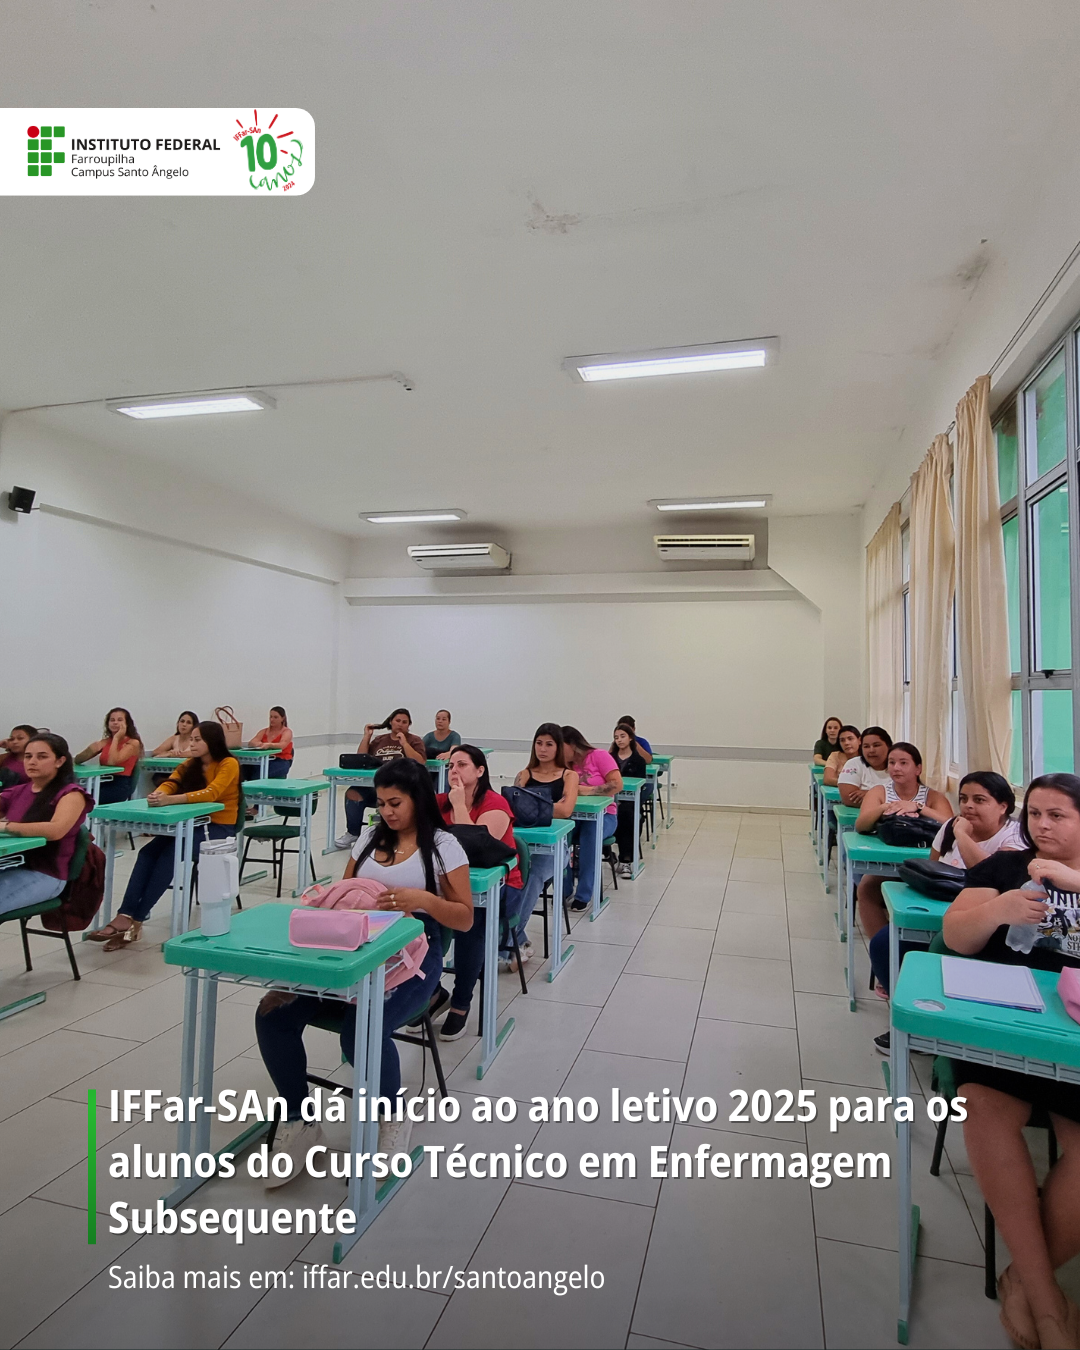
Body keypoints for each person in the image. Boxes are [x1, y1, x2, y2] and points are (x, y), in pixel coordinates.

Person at [255, 758, 472, 1178]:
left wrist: (425, 900)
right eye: (382, 803)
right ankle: (299, 1119)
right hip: (352, 942)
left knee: (362, 1031)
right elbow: (342, 893)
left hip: (413, 950)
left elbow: (464, 918)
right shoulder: (371, 837)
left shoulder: (443, 845)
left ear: (418, 799)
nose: (386, 811)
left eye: (396, 803)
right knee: (272, 1014)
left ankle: (392, 1114)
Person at [942, 774, 1080, 1350]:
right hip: (1002, 1030)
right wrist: (999, 908)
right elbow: (955, 936)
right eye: (1035, 814)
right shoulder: (1004, 867)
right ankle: (1047, 1302)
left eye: (1058, 816)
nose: (1042, 826)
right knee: (980, 1105)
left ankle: (1023, 1278)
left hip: (1073, 1038)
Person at [869, 771, 1022, 1052]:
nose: (968, 806)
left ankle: (933, 1027)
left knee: (939, 956)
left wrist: (963, 836)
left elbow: (992, 875)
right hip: (938, 906)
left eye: (979, 800)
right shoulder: (951, 825)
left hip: (982, 922)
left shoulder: (1014, 836)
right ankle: (911, 1018)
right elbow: (932, 867)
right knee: (883, 944)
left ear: (1003, 806)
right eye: (963, 799)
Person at [88, 721, 240, 951]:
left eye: (198, 740)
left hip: (217, 828)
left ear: (213, 742)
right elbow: (172, 782)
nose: (192, 744)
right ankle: (125, 914)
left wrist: (171, 800)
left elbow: (212, 793)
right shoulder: (190, 763)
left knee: (170, 855)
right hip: (191, 823)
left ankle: (136, 920)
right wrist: (158, 794)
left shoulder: (228, 763)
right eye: (191, 740)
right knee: (147, 852)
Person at [435, 745, 524, 1038]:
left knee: (470, 924)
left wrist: (459, 805)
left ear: (480, 770)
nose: (454, 771)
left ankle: (460, 1003)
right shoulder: (443, 801)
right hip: (452, 885)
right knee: (418, 918)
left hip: (501, 888)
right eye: (451, 766)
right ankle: (433, 993)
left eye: (462, 765)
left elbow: (471, 848)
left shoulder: (496, 804)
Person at [854, 741, 952, 949]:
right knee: (866, 888)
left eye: (903, 763)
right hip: (888, 864)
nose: (896, 768)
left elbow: (950, 826)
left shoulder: (932, 796)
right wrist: (885, 807)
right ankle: (884, 949)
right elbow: (861, 825)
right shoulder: (880, 791)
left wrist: (918, 807)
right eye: (891, 763)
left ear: (918, 769)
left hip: (925, 865)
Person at [0, 734, 92, 917]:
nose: (32, 762)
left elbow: (55, 830)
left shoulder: (72, 794)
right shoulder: (18, 791)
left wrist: (5, 827)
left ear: (60, 761)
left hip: (46, 875)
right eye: (28, 756)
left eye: (42, 757)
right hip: (11, 866)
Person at [511, 724, 580, 940]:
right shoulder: (524, 774)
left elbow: (566, 810)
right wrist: (550, 806)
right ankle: (516, 941)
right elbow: (513, 808)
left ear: (558, 747)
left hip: (554, 847)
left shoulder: (569, 776)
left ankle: (510, 941)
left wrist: (531, 807)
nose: (543, 749)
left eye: (549, 744)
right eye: (539, 743)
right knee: (504, 875)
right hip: (523, 844)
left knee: (532, 874)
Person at [335, 709, 428, 850]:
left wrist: (405, 744)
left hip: (401, 789)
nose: (400, 724)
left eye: (404, 722)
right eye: (397, 721)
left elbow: (420, 762)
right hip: (375, 786)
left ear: (409, 725)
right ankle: (353, 833)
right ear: (391, 722)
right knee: (352, 793)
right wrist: (367, 737)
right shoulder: (380, 740)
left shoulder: (414, 740)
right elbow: (361, 758)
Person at [561, 726, 622, 911]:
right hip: (574, 817)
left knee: (591, 834)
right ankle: (564, 889)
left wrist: (588, 791)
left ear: (573, 744)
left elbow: (617, 784)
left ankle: (584, 894)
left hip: (604, 816)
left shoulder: (599, 756)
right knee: (560, 838)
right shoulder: (563, 765)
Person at [75, 708, 143, 805]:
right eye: (112, 720)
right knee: (74, 794)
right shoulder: (105, 742)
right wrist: (92, 749)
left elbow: (112, 762)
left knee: (82, 799)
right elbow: (78, 760)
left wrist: (116, 738)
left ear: (127, 724)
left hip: (119, 786)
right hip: (101, 782)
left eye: (120, 720)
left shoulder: (133, 743)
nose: (115, 723)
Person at [610, 724, 649, 878]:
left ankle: (626, 859)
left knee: (626, 815)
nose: (619, 740)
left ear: (631, 738)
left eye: (622, 736)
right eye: (616, 737)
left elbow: (641, 785)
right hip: (610, 800)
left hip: (630, 803)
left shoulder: (638, 760)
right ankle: (607, 853)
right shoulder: (610, 758)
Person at [837, 726, 893, 807]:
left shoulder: (899, 766)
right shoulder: (854, 764)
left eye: (876, 745)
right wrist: (890, 798)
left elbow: (907, 797)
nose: (871, 750)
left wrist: (869, 794)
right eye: (866, 746)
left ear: (888, 746)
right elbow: (849, 799)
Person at [247, 706, 293, 780]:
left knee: (258, 774)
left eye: (275, 717)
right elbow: (251, 742)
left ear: (282, 718)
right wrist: (258, 744)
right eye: (271, 717)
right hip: (264, 760)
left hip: (280, 760)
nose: (272, 719)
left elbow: (282, 745)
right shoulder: (264, 731)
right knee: (244, 769)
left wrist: (269, 745)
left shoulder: (287, 732)